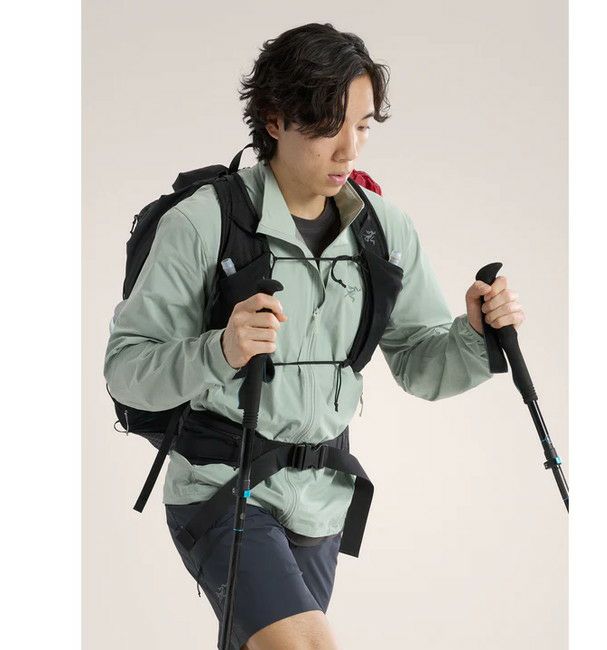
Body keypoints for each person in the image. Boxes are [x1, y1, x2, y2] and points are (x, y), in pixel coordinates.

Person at [104, 22, 525, 650]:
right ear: (274, 120)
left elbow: (419, 363)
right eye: (329, 126)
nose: (349, 150)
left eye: (363, 126)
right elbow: (126, 368)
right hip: (224, 490)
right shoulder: (204, 222)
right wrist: (221, 350)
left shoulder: (383, 229)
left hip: (323, 502)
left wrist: (474, 332)